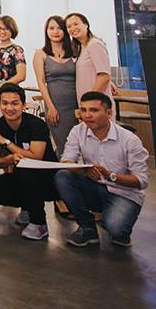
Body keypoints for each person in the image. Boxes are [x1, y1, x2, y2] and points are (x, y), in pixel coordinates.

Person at [56, 92, 150, 248]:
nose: (87, 115)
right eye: (83, 110)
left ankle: (119, 224)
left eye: (94, 110)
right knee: (63, 176)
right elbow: (66, 161)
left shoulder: (129, 140)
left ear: (109, 113)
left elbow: (142, 181)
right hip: (94, 187)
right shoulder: (77, 131)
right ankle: (87, 228)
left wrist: (110, 176)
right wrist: (84, 171)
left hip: (123, 193)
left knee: (117, 232)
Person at [0, 83, 59, 240]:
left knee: (27, 171)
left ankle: (39, 223)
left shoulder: (36, 125)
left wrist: (6, 142)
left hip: (48, 178)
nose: (9, 108)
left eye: (15, 103)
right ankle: (28, 207)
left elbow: (35, 157)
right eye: (4, 103)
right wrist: (10, 158)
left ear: (23, 105)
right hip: (21, 176)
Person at [33, 15, 78, 155]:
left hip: (78, 103)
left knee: (82, 144)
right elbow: (41, 82)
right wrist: (51, 107)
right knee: (64, 146)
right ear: (46, 31)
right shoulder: (41, 54)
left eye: (59, 28)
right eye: (51, 28)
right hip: (56, 106)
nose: (55, 31)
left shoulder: (75, 50)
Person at [0, 15, 26, 123]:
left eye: (6, 29)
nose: (2, 31)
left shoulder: (17, 50)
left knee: (6, 123)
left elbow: (21, 76)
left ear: (12, 30)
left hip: (9, 93)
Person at [66, 13, 113, 107]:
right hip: (87, 104)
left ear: (86, 25)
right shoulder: (82, 48)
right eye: (69, 26)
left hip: (96, 104)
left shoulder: (94, 44)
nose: (73, 28)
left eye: (76, 24)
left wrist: (89, 101)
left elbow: (104, 76)